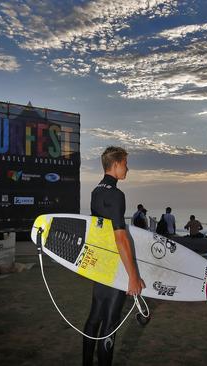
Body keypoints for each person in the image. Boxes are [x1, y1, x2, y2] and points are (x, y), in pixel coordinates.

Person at [83, 146, 145, 366]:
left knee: (94, 319)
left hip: (100, 264)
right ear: (116, 163)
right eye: (126, 163)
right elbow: (120, 238)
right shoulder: (116, 195)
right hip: (114, 267)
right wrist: (133, 276)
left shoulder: (96, 192)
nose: (128, 168)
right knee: (110, 323)